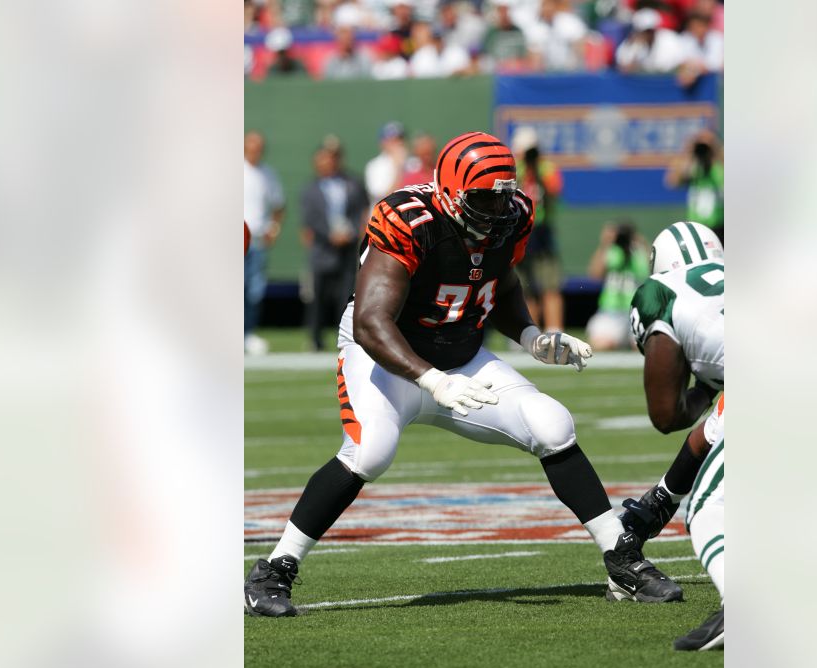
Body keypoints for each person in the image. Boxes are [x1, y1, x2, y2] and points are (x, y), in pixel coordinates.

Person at [245, 131, 683, 617]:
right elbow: (372, 322)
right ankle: (272, 570)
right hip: (388, 358)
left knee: (552, 423)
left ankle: (622, 560)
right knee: (369, 452)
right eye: (482, 199)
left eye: (501, 198)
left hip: (462, 354)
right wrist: (432, 380)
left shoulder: (513, 215)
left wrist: (533, 337)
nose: (495, 211)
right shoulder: (409, 220)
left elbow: (500, 283)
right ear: (450, 192)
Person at [616, 220, 725, 650]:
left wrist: (700, 389)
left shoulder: (660, 293)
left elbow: (665, 414)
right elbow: (713, 432)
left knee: (709, 507)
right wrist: (656, 505)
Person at [300, 140, 368, 352]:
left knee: (346, 295)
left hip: (347, 247)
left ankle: (345, 337)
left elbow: (362, 211)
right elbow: (310, 218)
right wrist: (330, 234)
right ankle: (315, 338)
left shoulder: (353, 183)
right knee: (318, 295)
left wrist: (354, 232)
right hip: (323, 247)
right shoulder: (310, 189)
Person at [511, 126, 564, 330]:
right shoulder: (517, 169)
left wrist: (536, 171)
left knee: (550, 284)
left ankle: (554, 329)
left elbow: (554, 190)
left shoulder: (546, 168)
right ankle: (530, 329)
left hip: (542, 231)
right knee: (525, 286)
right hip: (521, 232)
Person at [243, 131, 286, 355]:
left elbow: (279, 205)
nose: (255, 150)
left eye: (259, 146)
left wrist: (273, 230)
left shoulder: (267, 174)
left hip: (257, 240)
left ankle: (247, 334)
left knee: (254, 291)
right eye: (251, 146)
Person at [585, 221, 650, 351]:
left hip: (636, 312)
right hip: (611, 312)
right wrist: (605, 244)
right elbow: (594, 274)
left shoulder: (639, 252)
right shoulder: (610, 252)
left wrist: (642, 243)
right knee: (601, 343)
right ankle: (621, 339)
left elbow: (654, 270)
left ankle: (627, 340)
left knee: (643, 345)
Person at [665, 129, 724, 240]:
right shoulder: (694, 167)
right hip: (696, 226)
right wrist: (689, 151)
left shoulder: (718, 167)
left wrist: (715, 151)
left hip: (719, 226)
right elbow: (672, 181)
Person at [614, 7, 688, 74]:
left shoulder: (670, 39)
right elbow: (622, 64)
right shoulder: (633, 43)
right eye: (643, 31)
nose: (646, 34)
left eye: (649, 31)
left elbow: (677, 64)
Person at [364, 121, 409, 206]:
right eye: (393, 140)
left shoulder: (413, 163)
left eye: (400, 138)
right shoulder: (375, 166)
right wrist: (398, 169)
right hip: (385, 215)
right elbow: (383, 198)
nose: (398, 143)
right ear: (383, 143)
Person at [676, 10, 724, 87]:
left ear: (706, 26)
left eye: (698, 26)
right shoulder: (686, 38)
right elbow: (684, 62)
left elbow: (717, 64)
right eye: (692, 27)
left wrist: (696, 68)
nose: (695, 29)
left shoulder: (717, 39)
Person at [480, 0, 530, 73]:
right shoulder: (491, 33)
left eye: (506, 10)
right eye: (501, 11)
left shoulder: (518, 31)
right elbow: (486, 57)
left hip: (516, 71)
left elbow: (524, 56)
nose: (504, 14)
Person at [323, 13, 374, 79]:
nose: (347, 37)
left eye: (349, 33)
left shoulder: (364, 58)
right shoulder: (330, 60)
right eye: (343, 33)